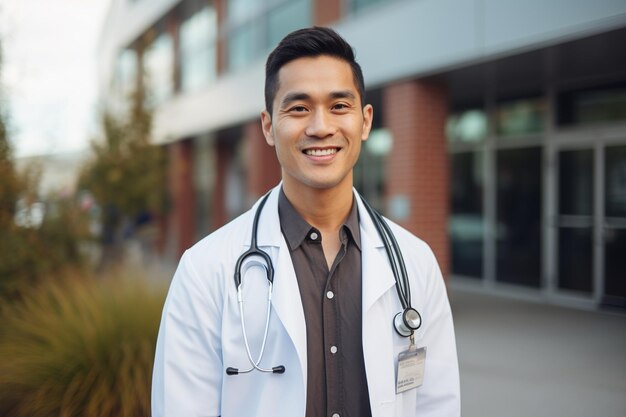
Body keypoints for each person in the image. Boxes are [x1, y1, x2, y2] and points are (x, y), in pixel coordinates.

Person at [152, 27, 460, 417]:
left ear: (365, 122)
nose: (320, 127)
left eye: (339, 106)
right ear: (268, 125)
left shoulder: (415, 262)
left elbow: (437, 405)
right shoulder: (205, 270)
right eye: (298, 108)